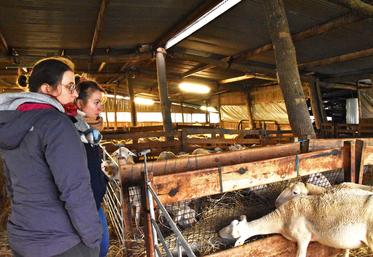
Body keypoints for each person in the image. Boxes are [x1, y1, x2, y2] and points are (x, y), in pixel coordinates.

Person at [0, 57, 102, 257]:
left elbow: (10, 184)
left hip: (23, 237)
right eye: (70, 86)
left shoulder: (11, 125)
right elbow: (75, 188)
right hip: (62, 243)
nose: (75, 93)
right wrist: (93, 238)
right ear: (47, 89)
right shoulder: (56, 123)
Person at [72, 78, 109, 257]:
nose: (100, 108)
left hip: (93, 201)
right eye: (96, 102)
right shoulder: (72, 131)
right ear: (80, 103)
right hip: (83, 204)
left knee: (102, 246)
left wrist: (103, 179)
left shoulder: (88, 131)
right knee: (97, 248)